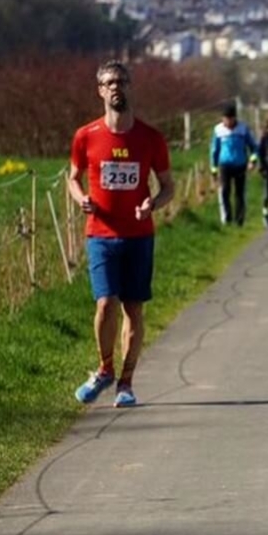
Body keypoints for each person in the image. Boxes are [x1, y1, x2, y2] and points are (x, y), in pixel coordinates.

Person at [67, 60, 176, 408]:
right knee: (104, 303)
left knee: (134, 310)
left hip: (139, 235)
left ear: (131, 88)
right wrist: (82, 197)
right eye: (110, 82)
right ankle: (104, 369)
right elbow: (72, 177)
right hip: (100, 233)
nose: (116, 87)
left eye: (122, 82)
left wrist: (153, 203)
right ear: (100, 90)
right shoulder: (86, 136)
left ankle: (126, 383)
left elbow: (168, 186)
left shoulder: (150, 138)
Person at [210, 104, 258, 226]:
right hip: (224, 165)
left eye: (229, 119)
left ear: (234, 118)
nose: (227, 122)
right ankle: (227, 219)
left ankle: (239, 220)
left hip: (240, 164)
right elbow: (214, 150)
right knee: (225, 191)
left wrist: (253, 161)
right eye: (224, 119)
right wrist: (214, 169)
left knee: (239, 193)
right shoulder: (218, 130)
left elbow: (253, 147)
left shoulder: (243, 129)